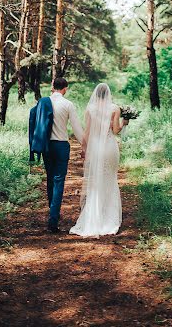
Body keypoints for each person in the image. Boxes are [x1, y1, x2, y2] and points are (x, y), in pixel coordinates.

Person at [70, 83, 128, 238]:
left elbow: (87, 132)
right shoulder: (115, 108)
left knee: (96, 182)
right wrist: (124, 123)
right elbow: (115, 131)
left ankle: (94, 216)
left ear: (96, 94)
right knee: (110, 178)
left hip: (95, 147)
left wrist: (84, 149)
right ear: (108, 94)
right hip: (109, 147)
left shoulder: (91, 109)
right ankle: (109, 217)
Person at [29, 77, 84, 233]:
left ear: (53, 87)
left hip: (46, 146)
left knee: (50, 179)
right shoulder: (68, 105)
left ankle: (52, 212)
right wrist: (84, 146)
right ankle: (53, 219)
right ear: (65, 88)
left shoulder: (42, 102)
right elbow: (77, 129)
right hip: (61, 146)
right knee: (59, 181)